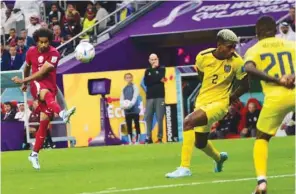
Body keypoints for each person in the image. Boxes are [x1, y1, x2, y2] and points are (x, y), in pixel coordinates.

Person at [165, 29, 249, 178]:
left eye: (234, 47)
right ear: (219, 45)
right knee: (200, 143)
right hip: (202, 101)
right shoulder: (203, 57)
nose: (232, 50)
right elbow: (201, 77)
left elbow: (245, 84)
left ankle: (184, 168)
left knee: (188, 122)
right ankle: (219, 158)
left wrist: (231, 97)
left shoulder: (237, 61)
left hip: (220, 104)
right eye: (229, 46)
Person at [11, 28, 76, 170]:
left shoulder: (54, 53)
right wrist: (26, 82)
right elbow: (27, 68)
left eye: (46, 42)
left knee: (44, 121)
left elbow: (42, 72)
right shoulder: (31, 52)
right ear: (37, 42)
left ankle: (33, 154)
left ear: (49, 41)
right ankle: (63, 114)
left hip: (49, 85)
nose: (44, 45)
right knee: (44, 92)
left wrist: (23, 81)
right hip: (37, 85)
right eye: (41, 42)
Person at [244, 16, 295, 193]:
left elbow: (249, 68)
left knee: (262, 138)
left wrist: (276, 80)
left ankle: (262, 182)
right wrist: (292, 77)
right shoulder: (291, 45)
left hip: (276, 99)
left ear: (257, 33)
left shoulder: (254, 49)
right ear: (275, 30)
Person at [144, 53, 166, 144]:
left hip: (160, 96)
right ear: (149, 61)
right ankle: (148, 137)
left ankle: (159, 137)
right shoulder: (147, 71)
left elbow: (161, 78)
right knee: (148, 117)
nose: (153, 61)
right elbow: (146, 82)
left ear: (158, 59)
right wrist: (156, 78)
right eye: (152, 59)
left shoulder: (162, 69)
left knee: (160, 117)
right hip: (149, 97)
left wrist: (153, 77)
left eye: (155, 59)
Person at [120, 73, 141, 144]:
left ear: (132, 78)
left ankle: (138, 141)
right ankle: (130, 141)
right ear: (125, 79)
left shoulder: (135, 87)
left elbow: (135, 97)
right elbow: (122, 98)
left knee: (137, 124)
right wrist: (123, 105)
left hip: (134, 110)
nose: (128, 79)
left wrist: (130, 104)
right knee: (129, 126)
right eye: (127, 77)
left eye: (129, 77)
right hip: (127, 111)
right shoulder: (124, 88)